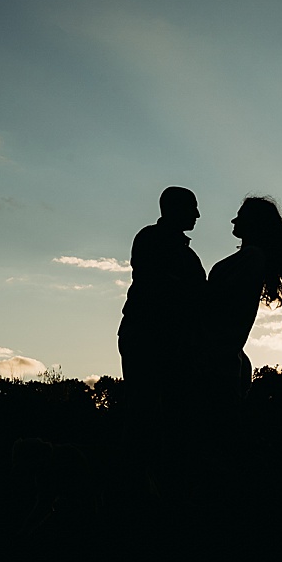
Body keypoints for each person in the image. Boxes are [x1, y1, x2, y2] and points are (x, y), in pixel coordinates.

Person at [117, 186, 206, 451]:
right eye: (192, 207)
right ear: (174, 209)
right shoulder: (151, 239)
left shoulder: (185, 254)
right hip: (148, 337)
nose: (198, 215)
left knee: (165, 414)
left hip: (164, 340)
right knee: (144, 411)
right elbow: (161, 285)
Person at [206, 195, 282, 402]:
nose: (233, 221)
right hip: (223, 357)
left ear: (253, 223)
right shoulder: (250, 257)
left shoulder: (252, 257)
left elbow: (222, 305)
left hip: (218, 360)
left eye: (239, 217)